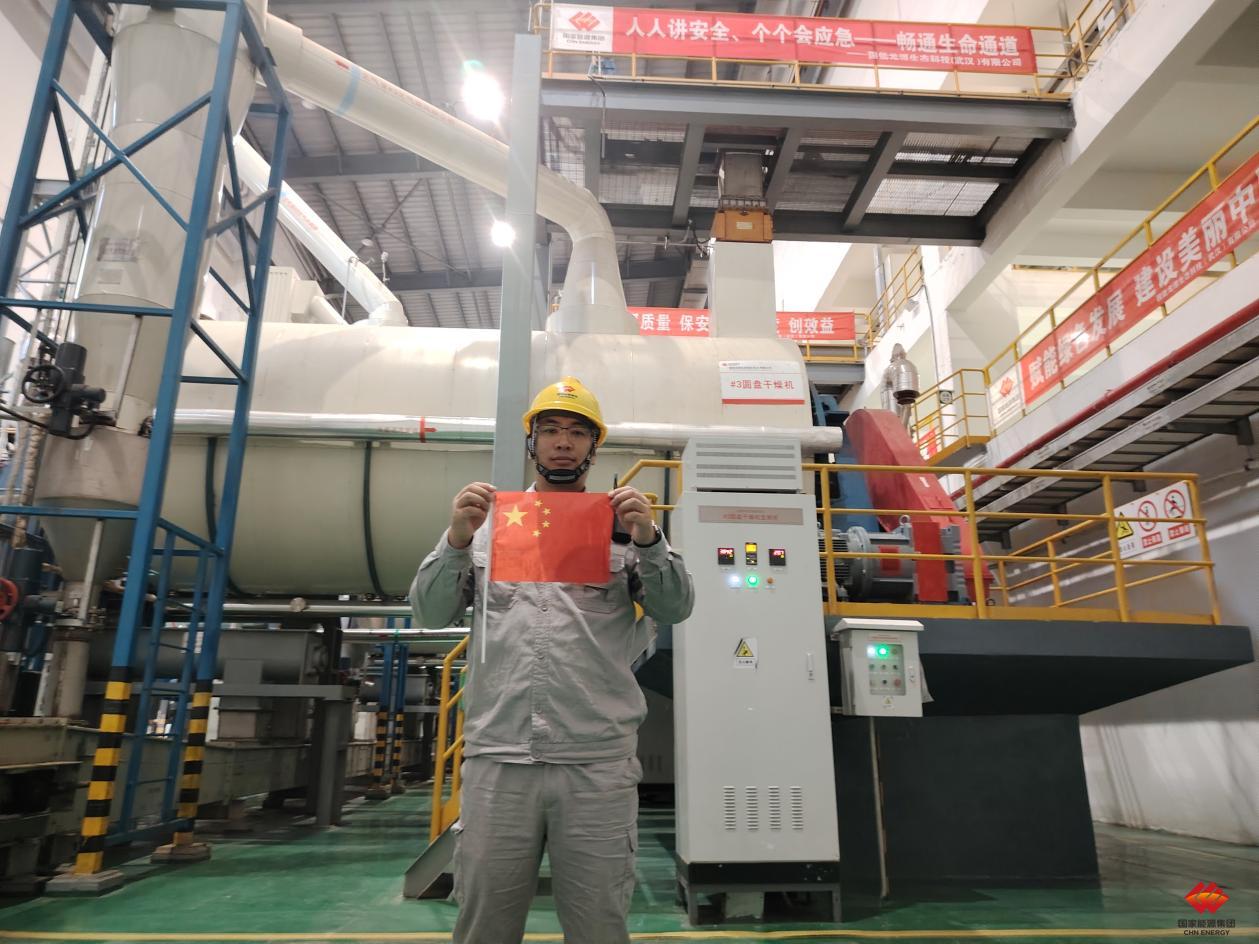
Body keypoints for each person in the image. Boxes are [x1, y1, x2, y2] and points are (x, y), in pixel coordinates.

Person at [410, 377, 695, 944]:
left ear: (594, 447)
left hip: (595, 765)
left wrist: (650, 541)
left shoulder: (623, 533)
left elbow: (676, 607)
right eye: (551, 431)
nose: (563, 443)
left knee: (598, 926)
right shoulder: (488, 528)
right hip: (500, 762)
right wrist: (457, 540)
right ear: (532, 443)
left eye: (577, 433)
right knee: (485, 925)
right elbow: (430, 612)